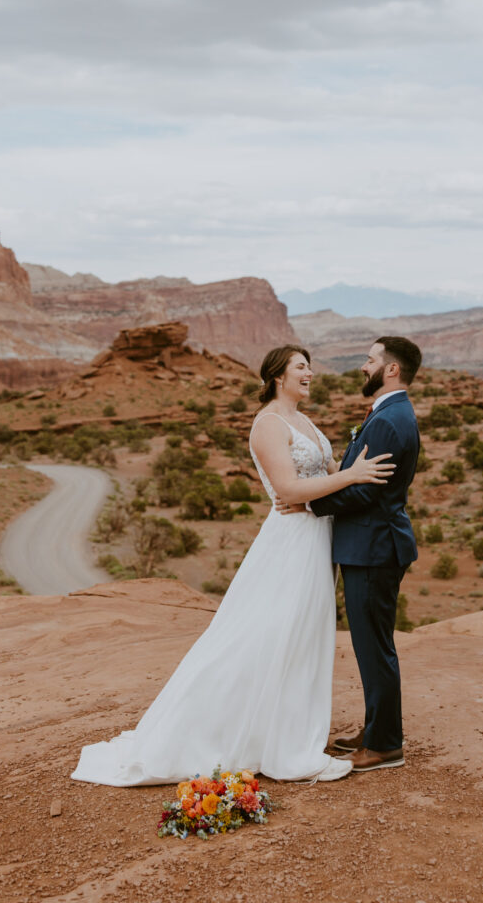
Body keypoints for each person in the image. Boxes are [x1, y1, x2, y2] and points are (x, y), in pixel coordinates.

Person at [70, 344, 395, 787]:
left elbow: (321, 478)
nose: (310, 374)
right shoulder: (267, 424)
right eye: (301, 367)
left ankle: (289, 731)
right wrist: (351, 475)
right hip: (290, 543)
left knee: (303, 637)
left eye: (310, 367)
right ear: (278, 376)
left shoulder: (305, 422)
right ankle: (251, 737)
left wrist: (344, 471)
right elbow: (288, 488)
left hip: (318, 539)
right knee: (271, 633)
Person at [277, 336, 421, 772]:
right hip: (370, 545)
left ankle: (384, 745)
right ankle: (377, 730)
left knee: (374, 647)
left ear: (390, 369)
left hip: (374, 548)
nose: (364, 366)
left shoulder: (390, 421)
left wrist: (309, 504)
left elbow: (364, 491)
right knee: (370, 644)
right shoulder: (388, 413)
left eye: (370, 359)